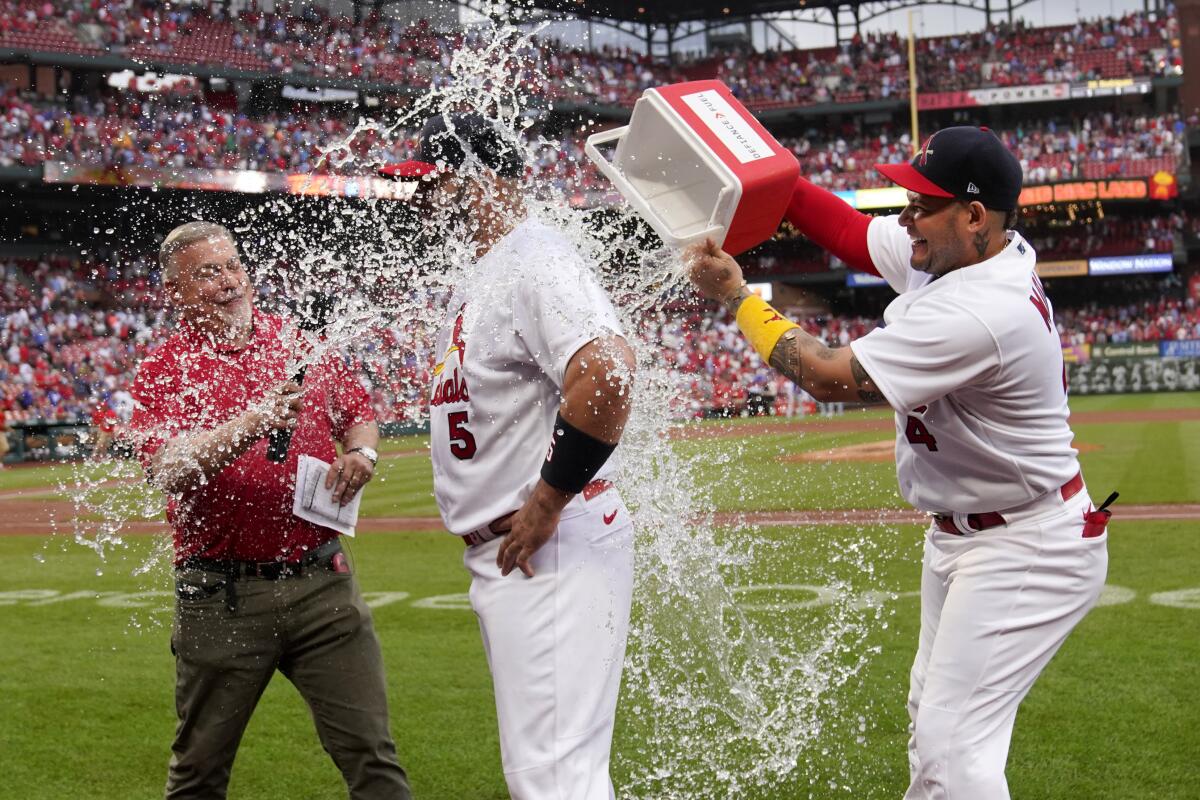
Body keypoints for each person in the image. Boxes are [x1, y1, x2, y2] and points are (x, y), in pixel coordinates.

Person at [685, 126, 1111, 800]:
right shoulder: (959, 254)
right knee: (934, 727)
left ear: (974, 216)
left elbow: (827, 376)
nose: (905, 216)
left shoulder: (980, 307)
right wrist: (772, 175)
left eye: (923, 203)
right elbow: (853, 234)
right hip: (968, 532)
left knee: (953, 751)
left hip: (1027, 543)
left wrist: (740, 298)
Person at [386, 112, 637, 800]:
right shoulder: (492, 268)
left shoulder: (535, 257)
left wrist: (548, 500)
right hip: (519, 550)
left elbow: (608, 371)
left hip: (547, 541)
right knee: (552, 773)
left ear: (476, 181)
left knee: (554, 779)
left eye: (433, 183)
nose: (423, 200)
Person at [128, 221, 411, 800]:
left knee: (374, 759)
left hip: (323, 585)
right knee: (199, 773)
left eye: (233, 264)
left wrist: (360, 451)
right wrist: (252, 423)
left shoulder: (295, 342)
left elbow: (358, 413)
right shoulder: (164, 370)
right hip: (222, 595)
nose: (231, 280)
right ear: (175, 292)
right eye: (209, 272)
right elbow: (168, 468)